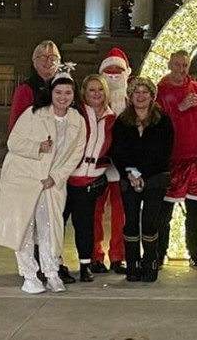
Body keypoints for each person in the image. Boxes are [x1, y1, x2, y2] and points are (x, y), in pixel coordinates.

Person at [0, 67, 87, 294]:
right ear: (51, 93)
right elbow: (13, 143)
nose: (63, 97)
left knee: (49, 227)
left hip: (51, 183)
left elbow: (76, 154)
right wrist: (38, 147)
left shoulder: (77, 121)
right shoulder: (34, 114)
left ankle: (51, 272)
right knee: (23, 226)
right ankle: (29, 274)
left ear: (73, 95)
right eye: (59, 93)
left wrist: (55, 177)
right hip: (24, 179)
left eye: (67, 93)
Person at [156, 50, 197, 271]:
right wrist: (178, 109)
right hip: (172, 160)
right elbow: (157, 123)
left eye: (185, 65)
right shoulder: (160, 91)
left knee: (195, 211)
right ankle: (159, 253)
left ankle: (195, 253)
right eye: (177, 65)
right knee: (165, 213)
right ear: (169, 64)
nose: (181, 69)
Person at [109, 77, 174, 283]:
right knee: (130, 222)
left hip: (154, 178)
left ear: (152, 96)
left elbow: (164, 151)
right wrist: (130, 173)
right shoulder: (122, 121)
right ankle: (133, 264)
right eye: (136, 92)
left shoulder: (163, 120)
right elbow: (118, 151)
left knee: (149, 221)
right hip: (129, 177)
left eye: (145, 92)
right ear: (130, 96)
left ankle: (150, 262)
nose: (140, 96)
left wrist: (144, 177)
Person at [63, 75, 116, 283]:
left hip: (91, 180)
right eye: (92, 90)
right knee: (57, 223)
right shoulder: (75, 113)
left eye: (100, 90)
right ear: (84, 92)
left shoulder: (112, 118)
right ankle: (55, 263)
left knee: (85, 225)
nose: (96, 94)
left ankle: (85, 264)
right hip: (66, 178)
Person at [92, 48, 131, 275]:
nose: (114, 77)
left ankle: (118, 255)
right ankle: (95, 255)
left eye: (118, 72)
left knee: (121, 214)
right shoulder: (92, 102)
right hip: (96, 167)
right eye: (109, 72)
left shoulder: (131, 102)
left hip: (122, 168)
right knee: (95, 213)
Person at [9, 40, 61, 132]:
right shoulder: (25, 90)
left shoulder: (66, 87)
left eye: (53, 57)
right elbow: (16, 125)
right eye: (43, 57)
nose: (48, 61)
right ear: (35, 62)